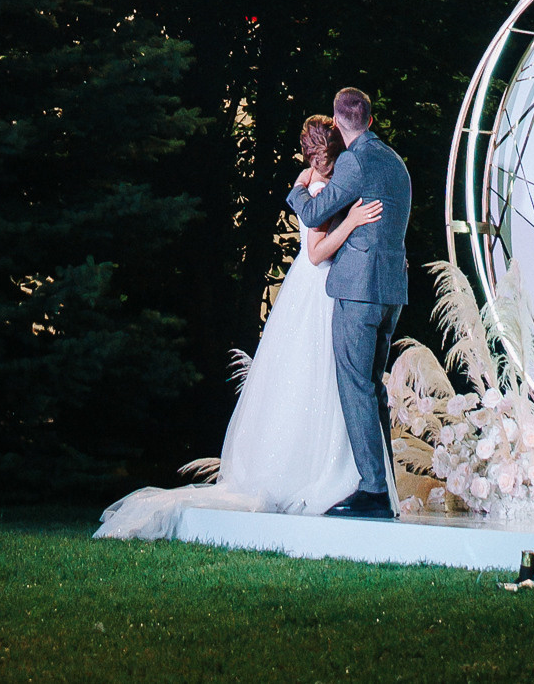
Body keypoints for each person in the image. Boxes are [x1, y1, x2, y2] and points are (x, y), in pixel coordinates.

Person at [94, 113, 392, 539]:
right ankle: (321, 473)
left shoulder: (323, 179)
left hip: (334, 290)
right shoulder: (319, 185)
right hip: (319, 289)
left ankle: (349, 475)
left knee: (331, 382)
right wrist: (350, 222)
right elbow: (314, 253)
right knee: (319, 380)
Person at [286, 82, 412, 519]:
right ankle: (386, 487)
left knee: (357, 387)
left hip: (359, 293)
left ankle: (374, 490)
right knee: (373, 389)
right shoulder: (395, 162)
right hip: (391, 291)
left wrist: (298, 189)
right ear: (371, 119)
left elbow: (313, 214)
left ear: (339, 123)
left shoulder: (355, 163)